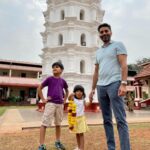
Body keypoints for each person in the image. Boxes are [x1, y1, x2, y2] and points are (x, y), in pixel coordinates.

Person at [89, 23, 131, 150]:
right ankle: (111, 147)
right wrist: (92, 89)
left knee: (120, 119)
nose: (104, 33)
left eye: (106, 31)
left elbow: (124, 65)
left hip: (115, 83)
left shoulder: (118, 45)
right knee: (106, 120)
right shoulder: (98, 52)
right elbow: (96, 71)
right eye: (101, 32)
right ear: (99, 35)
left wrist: (123, 84)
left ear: (111, 32)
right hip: (101, 87)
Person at [38, 62, 69, 150]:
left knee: (58, 124)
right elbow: (39, 88)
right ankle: (41, 145)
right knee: (44, 124)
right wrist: (43, 99)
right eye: (53, 67)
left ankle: (58, 142)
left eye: (57, 67)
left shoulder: (63, 81)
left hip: (60, 105)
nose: (54, 68)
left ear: (61, 70)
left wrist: (65, 99)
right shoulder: (49, 79)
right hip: (50, 104)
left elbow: (67, 91)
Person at [68, 85, 89, 150]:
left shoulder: (83, 100)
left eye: (81, 91)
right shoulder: (73, 99)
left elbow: (87, 105)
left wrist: (90, 100)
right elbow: (69, 98)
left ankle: (82, 148)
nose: (79, 92)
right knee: (77, 133)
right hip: (74, 119)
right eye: (77, 91)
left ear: (83, 93)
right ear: (75, 92)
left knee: (81, 134)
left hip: (81, 119)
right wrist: (72, 94)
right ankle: (79, 147)